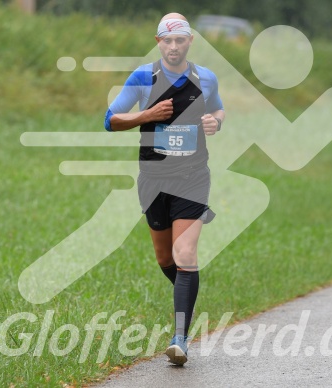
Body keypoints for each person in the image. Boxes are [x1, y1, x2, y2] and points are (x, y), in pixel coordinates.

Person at [104, 12, 224, 365]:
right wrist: (147, 115)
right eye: (167, 40)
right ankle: (187, 297)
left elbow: (218, 111)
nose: (174, 46)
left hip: (193, 177)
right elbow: (110, 120)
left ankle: (180, 338)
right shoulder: (143, 77)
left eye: (180, 40)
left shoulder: (206, 78)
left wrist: (213, 122)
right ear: (159, 42)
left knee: (185, 254)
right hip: (154, 179)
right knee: (165, 258)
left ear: (190, 42)